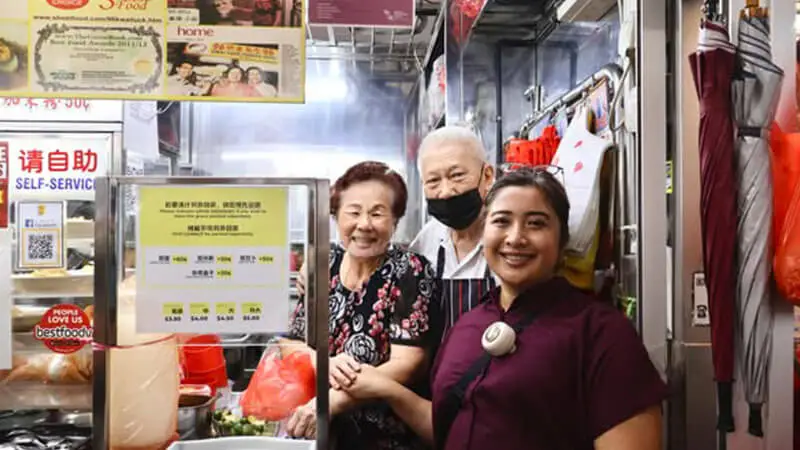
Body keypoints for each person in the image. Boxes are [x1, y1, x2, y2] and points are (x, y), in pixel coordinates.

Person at [341, 168, 668, 449]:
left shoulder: (601, 334)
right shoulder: (466, 328)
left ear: (562, 238)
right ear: (485, 234)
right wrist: (388, 389)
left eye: (536, 224)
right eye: (501, 221)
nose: (515, 238)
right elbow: (447, 429)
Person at [280, 161, 438, 450]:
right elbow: (291, 342)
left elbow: (408, 364)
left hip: (386, 436)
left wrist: (331, 403)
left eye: (377, 213)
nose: (364, 224)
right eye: (353, 212)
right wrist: (322, 361)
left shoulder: (410, 270)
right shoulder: (323, 265)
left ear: (395, 221)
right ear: (336, 216)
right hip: (316, 433)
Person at [297, 126, 496, 336]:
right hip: (438, 367)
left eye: (457, 176)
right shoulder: (428, 240)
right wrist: (318, 265)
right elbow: (374, 254)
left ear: (487, 176)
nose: (445, 191)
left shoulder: (508, 240)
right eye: (433, 181)